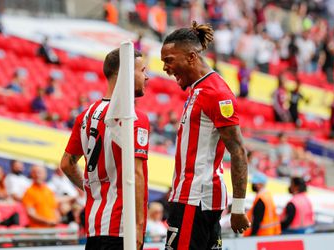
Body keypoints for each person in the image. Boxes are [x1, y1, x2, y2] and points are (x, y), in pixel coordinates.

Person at [160, 21, 250, 250]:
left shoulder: (215, 93)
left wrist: (238, 207)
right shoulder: (198, 89)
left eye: (169, 60)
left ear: (191, 57)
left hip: (195, 201)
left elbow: (238, 150)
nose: (165, 68)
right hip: (192, 199)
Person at [60, 48, 149, 250]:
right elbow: (136, 174)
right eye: (142, 70)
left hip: (94, 225)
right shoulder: (134, 118)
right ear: (124, 73)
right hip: (122, 229)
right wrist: (138, 226)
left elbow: (67, 164)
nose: (147, 77)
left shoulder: (86, 114)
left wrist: (93, 188)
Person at [243, 172, 281, 236]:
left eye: (254, 183)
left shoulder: (261, 199)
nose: (252, 185)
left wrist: (252, 235)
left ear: (260, 184)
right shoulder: (267, 195)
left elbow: (257, 220)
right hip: (270, 233)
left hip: (262, 234)